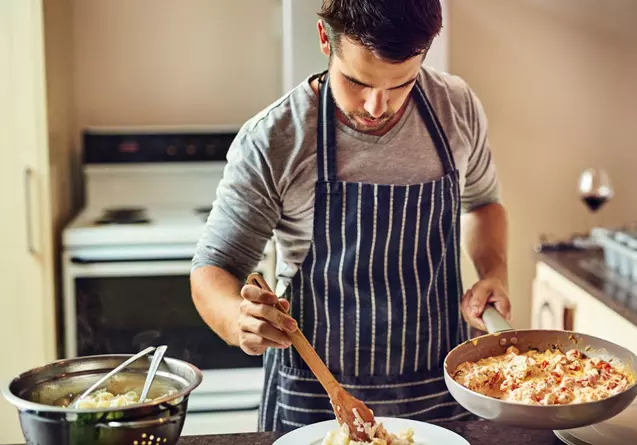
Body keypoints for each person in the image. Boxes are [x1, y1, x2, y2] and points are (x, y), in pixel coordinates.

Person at [190, 0, 511, 433]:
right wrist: (237, 321)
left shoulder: (455, 108)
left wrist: (494, 271)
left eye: (402, 84)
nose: (378, 106)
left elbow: (483, 203)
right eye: (358, 82)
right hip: (317, 398)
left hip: (440, 389)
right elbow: (214, 268)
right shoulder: (276, 138)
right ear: (325, 38)